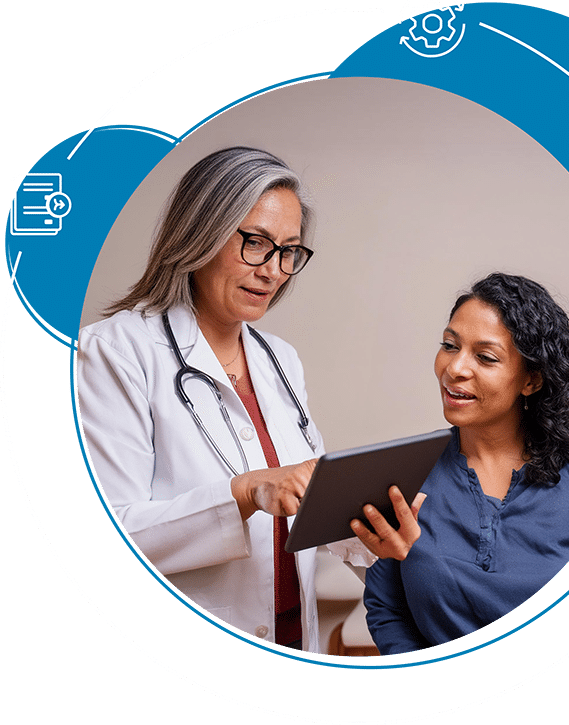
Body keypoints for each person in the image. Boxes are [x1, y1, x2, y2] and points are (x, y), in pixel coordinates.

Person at [77, 147, 423, 653]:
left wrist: (367, 521)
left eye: (289, 251)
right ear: (200, 231)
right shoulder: (115, 350)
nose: (274, 270)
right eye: (255, 244)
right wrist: (243, 493)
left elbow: (298, 502)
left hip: (291, 639)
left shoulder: (279, 359)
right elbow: (106, 538)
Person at [364, 273, 569, 654]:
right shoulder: (405, 475)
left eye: (485, 357)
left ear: (531, 380)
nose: (455, 368)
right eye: (449, 346)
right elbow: (387, 607)